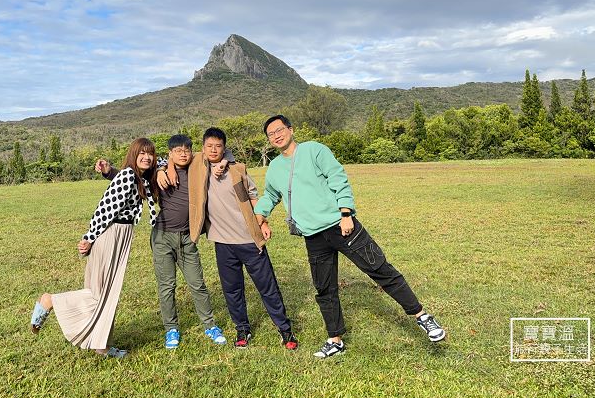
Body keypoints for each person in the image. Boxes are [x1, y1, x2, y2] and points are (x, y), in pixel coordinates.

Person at [254, 115, 446, 359]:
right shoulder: (274, 167)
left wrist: (346, 213)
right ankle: (335, 341)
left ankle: (422, 316)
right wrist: (260, 217)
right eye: (271, 134)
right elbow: (271, 195)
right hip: (313, 236)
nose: (276, 135)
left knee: (379, 269)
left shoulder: (314, 150)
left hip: (341, 226)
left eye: (279, 130)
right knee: (325, 288)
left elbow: (338, 177)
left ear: (290, 130)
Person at [159, 127, 297, 350]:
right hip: (222, 243)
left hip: (248, 239)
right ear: (202, 148)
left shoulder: (236, 169)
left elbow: (252, 196)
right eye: (209, 146)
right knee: (232, 290)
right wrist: (166, 168)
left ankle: (285, 329)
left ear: (224, 148)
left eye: (218, 146)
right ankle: (242, 329)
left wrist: (263, 222)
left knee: (267, 286)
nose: (214, 150)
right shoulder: (197, 165)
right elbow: (174, 155)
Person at [29, 138, 159, 358]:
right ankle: (51, 300)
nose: (147, 157)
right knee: (99, 293)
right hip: (112, 234)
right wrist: (89, 238)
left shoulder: (138, 176)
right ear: (133, 155)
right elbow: (105, 209)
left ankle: (101, 344)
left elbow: (163, 162)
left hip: (121, 235)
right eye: (142, 153)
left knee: (108, 292)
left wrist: (110, 170)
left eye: (150, 154)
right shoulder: (128, 176)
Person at [96, 134, 227, 349]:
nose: (183, 154)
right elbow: (131, 176)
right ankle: (171, 329)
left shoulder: (198, 167)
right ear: (170, 153)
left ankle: (210, 325)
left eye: (186, 150)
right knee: (167, 286)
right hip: (162, 237)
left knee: (197, 284)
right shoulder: (157, 173)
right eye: (178, 151)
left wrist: (218, 163)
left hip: (187, 238)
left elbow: (220, 153)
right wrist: (108, 171)